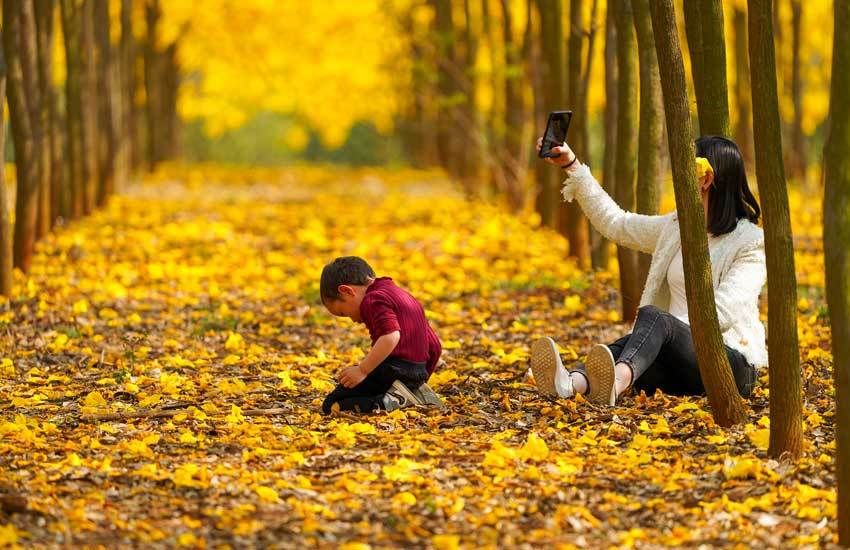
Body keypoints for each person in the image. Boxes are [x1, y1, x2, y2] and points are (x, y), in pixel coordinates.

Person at [530, 135, 764, 405]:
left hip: (731, 365)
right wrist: (571, 165)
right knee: (634, 344)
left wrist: (666, 335)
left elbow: (723, 311)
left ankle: (616, 383)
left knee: (655, 320)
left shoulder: (750, 243)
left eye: (685, 168)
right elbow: (617, 223)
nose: (676, 177)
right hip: (682, 362)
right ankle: (570, 383)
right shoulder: (676, 227)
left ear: (705, 179)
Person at [320, 256, 444, 414]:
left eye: (344, 312)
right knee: (366, 390)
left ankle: (390, 402)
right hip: (416, 372)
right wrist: (420, 381)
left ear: (347, 291)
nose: (352, 320)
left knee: (332, 404)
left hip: (393, 369)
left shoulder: (372, 300)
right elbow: (434, 346)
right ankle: (408, 394)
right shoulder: (401, 295)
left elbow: (390, 336)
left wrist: (362, 370)